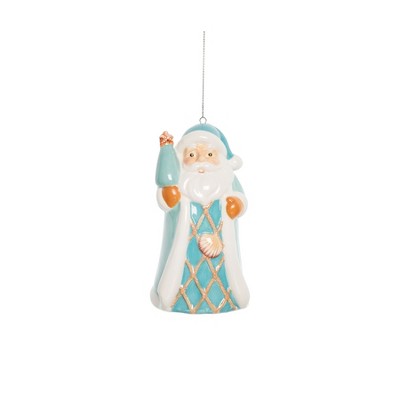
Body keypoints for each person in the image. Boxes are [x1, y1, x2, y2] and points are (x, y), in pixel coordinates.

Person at [151, 123, 249, 313]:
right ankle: (176, 300)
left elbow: (240, 199)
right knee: (179, 273)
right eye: (192, 155)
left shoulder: (227, 179)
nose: (201, 160)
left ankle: (226, 298)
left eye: (210, 154)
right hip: (184, 249)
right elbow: (168, 200)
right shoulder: (180, 181)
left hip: (222, 251)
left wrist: (237, 204)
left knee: (224, 275)